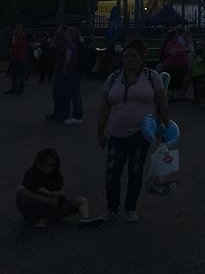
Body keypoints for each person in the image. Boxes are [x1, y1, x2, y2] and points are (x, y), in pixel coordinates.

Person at [97, 40, 170, 222]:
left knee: (135, 170)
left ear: (141, 58)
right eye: (125, 56)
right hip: (116, 132)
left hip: (141, 132)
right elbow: (105, 107)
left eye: (133, 56)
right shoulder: (113, 78)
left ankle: (131, 207)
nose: (129, 59)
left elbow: (162, 103)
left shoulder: (152, 77)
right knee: (112, 171)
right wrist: (100, 131)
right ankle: (111, 207)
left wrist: (165, 127)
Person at [16, 148, 101, 229]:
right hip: (36, 208)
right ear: (39, 164)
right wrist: (44, 193)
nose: (51, 168)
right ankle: (42, 218)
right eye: (48, 165)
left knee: (82, 200)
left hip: (53, 208)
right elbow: (28, 184)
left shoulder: (56, 176)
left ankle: (85, 219)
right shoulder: (32, 174)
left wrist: (57, 194)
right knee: (20, 190)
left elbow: (58, 194)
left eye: (53, 166)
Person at [159, 29, 190, 102]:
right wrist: (181, 50)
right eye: (176, 35)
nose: (177, 37)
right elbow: (173, 52)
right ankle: (171, 96)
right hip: (172, 65)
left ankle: (178, 96)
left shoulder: (178, 44)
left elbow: (186, 49)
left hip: (180, 64)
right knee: (172, 81)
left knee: (179, 80)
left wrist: (181, 50)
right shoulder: (169, 43)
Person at [61, 27, 84, 125]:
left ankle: (76, 116)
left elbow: (68, 59)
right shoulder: (78, 44)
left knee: (73, 94)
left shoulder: (69, 45)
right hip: (77, 69)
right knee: (77, 93)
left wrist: (64, 69)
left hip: (70, 70)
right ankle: (78, 115)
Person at [5, 24, 27, 95]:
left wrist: (14, 37)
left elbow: (15, 44)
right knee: (15, 74)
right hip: (15, 56)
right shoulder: (18, 36)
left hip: (20, 57)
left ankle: (19, 89)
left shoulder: (22, 36)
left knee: (19, 74)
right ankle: (14, 89)